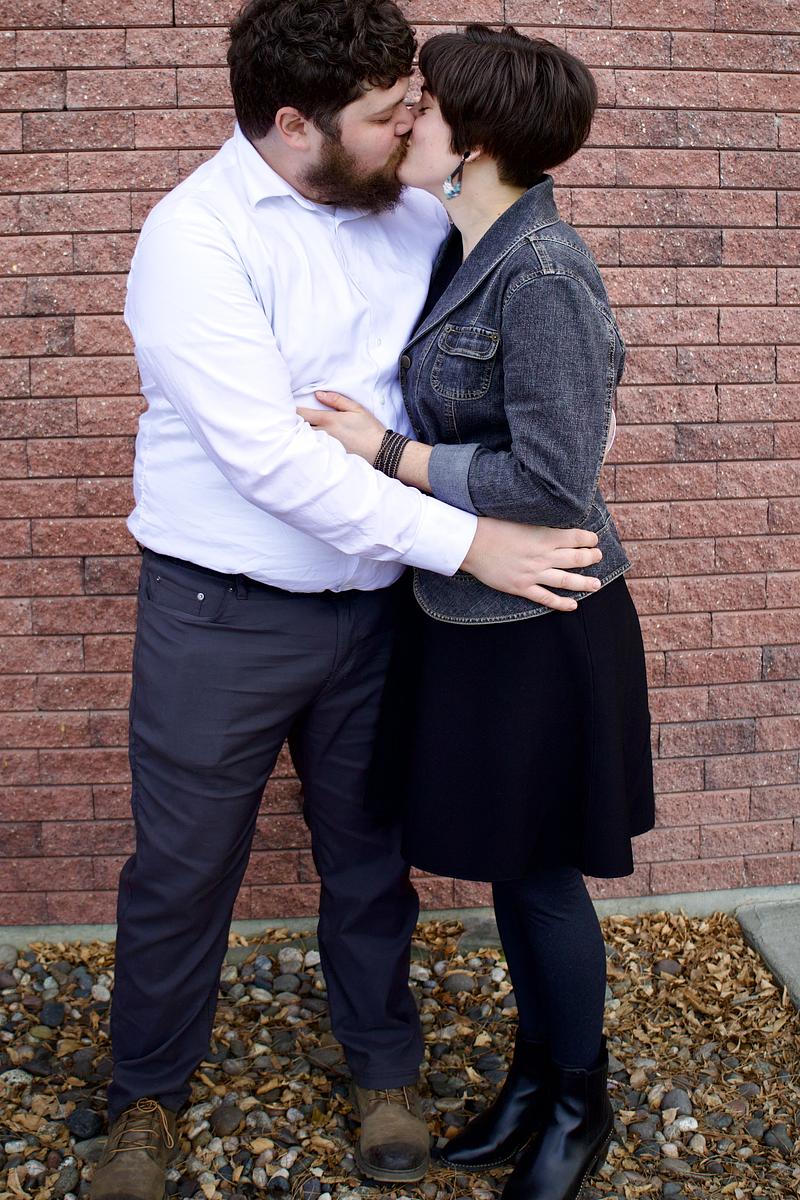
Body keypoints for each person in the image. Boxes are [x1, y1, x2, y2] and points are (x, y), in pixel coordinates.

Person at [88, 5, 608, 1199]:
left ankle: (384, 1072)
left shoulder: (416, 212)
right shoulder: (195, 238)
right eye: (386, 115)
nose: (411, 127)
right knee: (181, 869)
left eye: (414, 104)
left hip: (379, 611)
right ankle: (144, 1102)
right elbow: (269, 458)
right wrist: (469, 541)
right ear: (293, 124)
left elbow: (522, 362)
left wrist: (538, 460)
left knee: (370, 858)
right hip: (222, 614)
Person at [298, 24, 656, 1200]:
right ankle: (532, 1077)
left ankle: (578, 1104)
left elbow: (550, 479)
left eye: (424, 105)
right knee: (510, 868)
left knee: (540, 876)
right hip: (470, 612)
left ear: (477, 138)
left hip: (541, 625)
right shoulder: (470, 250)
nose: (405, 121)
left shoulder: (541, 272)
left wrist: (387, 453)